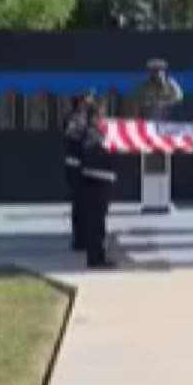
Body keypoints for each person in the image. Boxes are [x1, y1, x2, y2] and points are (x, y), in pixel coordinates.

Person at [78, 99, 118, 269]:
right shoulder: (91, 133)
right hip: (95, 182)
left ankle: (98, 256)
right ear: (94, 116)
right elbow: (95, 153)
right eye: (101, 114)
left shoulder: (95, 132)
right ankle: (95, 259)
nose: (104, 117)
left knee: (98, 221)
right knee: (95, 222)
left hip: (100, 180)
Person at [63, 94, 89, 251]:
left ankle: (85, 236)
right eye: (85, 101)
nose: (87, 104)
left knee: (86, 205)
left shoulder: (84, 117)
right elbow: (73, 136)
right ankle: (79, 239)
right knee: (79, 204)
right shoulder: (73, 119)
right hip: (75, 167)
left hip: (84, 166)